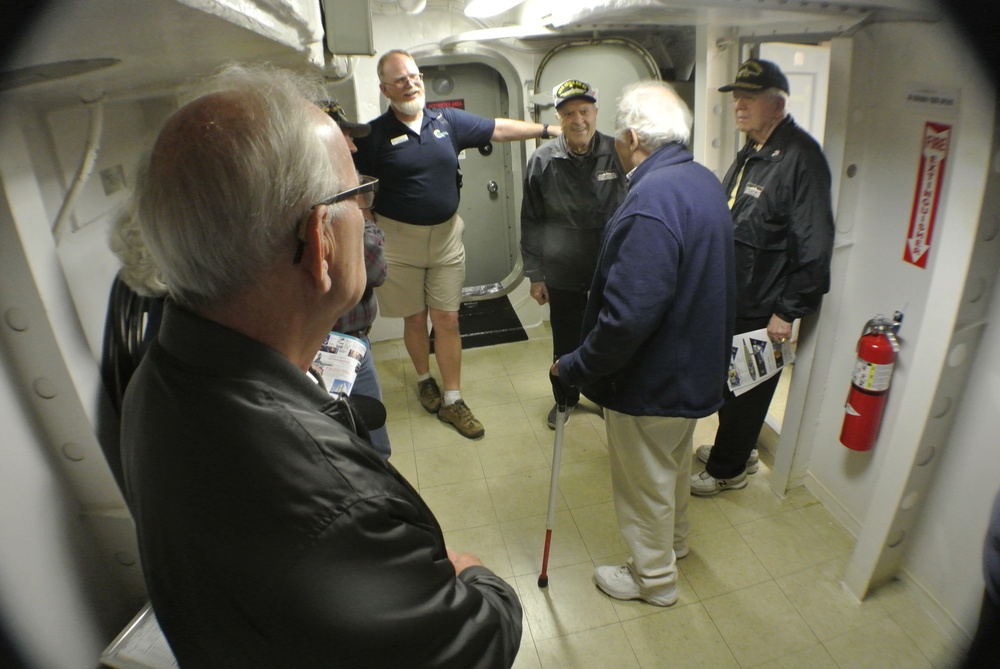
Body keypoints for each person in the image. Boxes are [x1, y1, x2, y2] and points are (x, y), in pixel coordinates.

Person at [120, 64, 522, 668]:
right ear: (321, 241)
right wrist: (478, 577)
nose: (367, 212)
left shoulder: (162, 375)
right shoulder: (340, 505)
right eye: (358, 196)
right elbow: (475, 643)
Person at [553, 80, 735, 606]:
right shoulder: (701, 180)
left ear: (632, 136)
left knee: (643, 481)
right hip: (694, 366)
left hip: (654, 377)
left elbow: (627, 318)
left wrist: (576, 366)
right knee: (672, 466)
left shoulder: (650, 201)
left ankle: (653, 580)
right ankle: (673, 545)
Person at [353, 49, 561, 439]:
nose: (410, 83)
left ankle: (453, 399)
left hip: (447, 237)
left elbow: (498, 128)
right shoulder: (374, 135)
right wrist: (367, 222)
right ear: (384, 88)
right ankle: (423, 379)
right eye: (400, 79)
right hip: (399, 241)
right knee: (415, 318)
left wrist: (547, 131)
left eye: (414, 75)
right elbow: (355, 182)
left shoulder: (446, 121)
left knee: (447, 318)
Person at [691, 58, 834, 496]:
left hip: (765, 303)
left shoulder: (801, 158)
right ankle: (738, 450)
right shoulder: (756, 148)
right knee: (731, 384)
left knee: (747, 388)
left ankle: (727, 470)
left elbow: (814, 243)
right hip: (738, 294)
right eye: (736, 96)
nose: (738, 104)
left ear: (777, 103)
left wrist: (787, 311)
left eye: (749, 97)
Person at [520, 79, 627, 429]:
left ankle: (608, 397)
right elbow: (532, 221)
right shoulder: (542, 161)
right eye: (569, 113)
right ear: (558, 117)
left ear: (595, 112)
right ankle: (565, 399)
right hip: (562, 272)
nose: (578, 119)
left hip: (610, 271)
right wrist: (536, 275)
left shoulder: (619, 153)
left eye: (584, 111)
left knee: (609, 337)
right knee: (566, 340)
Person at [318, 100, 392, 459]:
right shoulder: (315, 199)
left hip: (357, 345)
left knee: (377, 444)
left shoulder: (347, 187)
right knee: (352, 451)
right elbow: (374, 271)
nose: (354, 146)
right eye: (344, 136)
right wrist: (367, 222)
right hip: (324, 347)